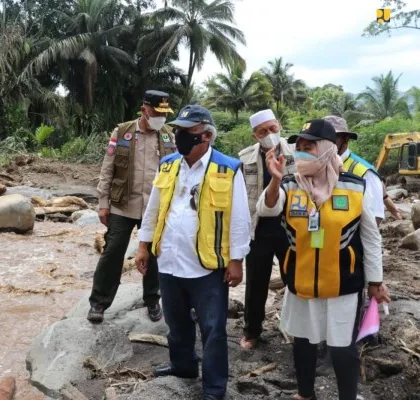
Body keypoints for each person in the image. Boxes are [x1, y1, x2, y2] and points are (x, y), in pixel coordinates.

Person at [257, 118, 391, 400]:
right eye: (300, 147)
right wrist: (275, 181)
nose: (302, 152)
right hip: (301, 282)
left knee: (343, 348)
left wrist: (376, 281)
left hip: (342, 284)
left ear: (328, 149)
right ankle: (306, 394)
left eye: (310, 146)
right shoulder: (291, 185)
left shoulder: (356, 187)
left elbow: (370, 237)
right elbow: (267, 210)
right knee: (303, 341)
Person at [135, 105, 251, 400]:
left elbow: (239, 219)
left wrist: (236, 261)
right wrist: (143, 245)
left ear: (207, 135)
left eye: (187, 132)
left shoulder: (228, 168)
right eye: (178, 131)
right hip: (170, 260)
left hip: (207, 266)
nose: (178, 137)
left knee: (213, 330)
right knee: (176, 323)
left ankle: (214, 388)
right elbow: (154, 208)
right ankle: (183, 366)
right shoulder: (169, 164)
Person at [87, 90, 177, 323]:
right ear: (145, 109)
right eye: (157, 112)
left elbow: (176, 171)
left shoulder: (168, 135)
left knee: (155, 253)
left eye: (164, 113)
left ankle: (152, 300)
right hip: (123, 205)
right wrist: (103, 203)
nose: (161, 117)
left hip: (155, 206)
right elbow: (108, 169)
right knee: (113, 251)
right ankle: (99, 302)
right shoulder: (123, 132)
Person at [238, 109, 296, 350]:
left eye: (272, 129)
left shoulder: (297, 153)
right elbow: (240, 196)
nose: (269, 134)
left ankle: (297, 329)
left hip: (290, 227)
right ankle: (252, 331)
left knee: (294, 279)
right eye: (263, 132)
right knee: (256, 282)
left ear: (279, 126)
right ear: (255, 136)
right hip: (258, 227)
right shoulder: (244, 158)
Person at [323, 115, 384, 225]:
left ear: (345, 140)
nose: (325, 142)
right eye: (321, 137)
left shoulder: (365, 172)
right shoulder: (316, 166)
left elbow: (375, 218)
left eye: (331, 137)